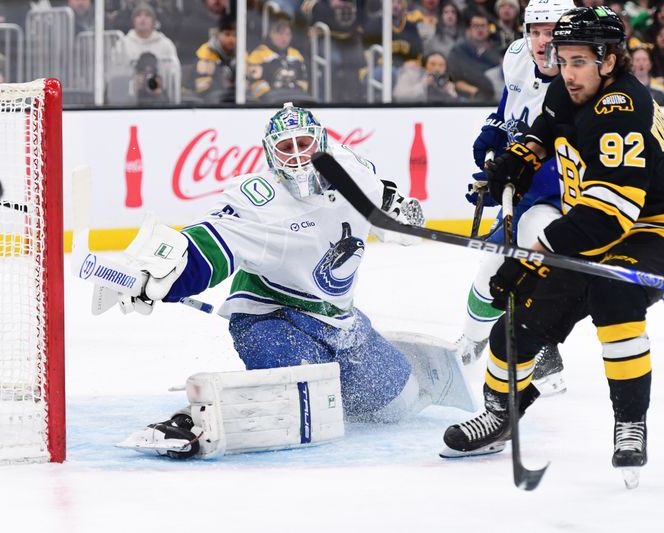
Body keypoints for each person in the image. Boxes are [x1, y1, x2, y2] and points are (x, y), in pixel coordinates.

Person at [96, 102, 474, 458]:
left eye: (304, 144)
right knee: (301, 405)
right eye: (285, 147)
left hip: (340, 323)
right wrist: (161, 276)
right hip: (269, 318)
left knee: (398, 407)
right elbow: (212, 241)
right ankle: (189, 423)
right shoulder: (261, 199)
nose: (296, 156)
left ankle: (360, 361)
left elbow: (387, 209)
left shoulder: (350, 169)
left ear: (322, 145)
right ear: (269, 153)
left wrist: (399, 217)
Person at [443, 7, 664, 484]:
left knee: (612, 294)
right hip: (593, 220)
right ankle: (501, 414)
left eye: (579, 60)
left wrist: (532, 257)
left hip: (650, 227)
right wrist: (516, 161)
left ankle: (630, 423)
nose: (567, 71)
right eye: (562, 59)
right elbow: (546, 128)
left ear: (609, 61)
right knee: (525, 310)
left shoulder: (622, 107)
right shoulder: (572, 87)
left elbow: (610, 214)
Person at [454, 0, 574, 397]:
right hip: (528, 184)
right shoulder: (517, 55)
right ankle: (472, 342)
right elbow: (510, 102)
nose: (542, 42)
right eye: (535, 31)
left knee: (534, 256)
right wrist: (494, 133)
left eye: (552, 32)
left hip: (566, 194)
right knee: (492, 269)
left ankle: (541, 347)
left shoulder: (580, 81)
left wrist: (512, 175)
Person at [247, 15, 310, 102]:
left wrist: (293, 91)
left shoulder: (296, 54)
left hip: (294, 99)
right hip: (269, 102)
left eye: (287, 34)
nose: (284, 38)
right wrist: (271, 94)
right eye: (280, 33)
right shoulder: (258, 54)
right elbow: (255, 83)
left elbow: (304, 80)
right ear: (271, 34)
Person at [447, 10, 503, 102]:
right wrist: (475, 91)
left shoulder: (497, 51)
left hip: (494, 99)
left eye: (483, 26)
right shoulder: (458, 51)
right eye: (475, 26)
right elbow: (453, 79)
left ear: (488, 29)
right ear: (469, 30)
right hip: (464, 100)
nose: (479, 29)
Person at [194, 13, 237, 103]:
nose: (231, 39)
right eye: (227, 34)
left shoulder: (241, 53)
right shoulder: (205, 54)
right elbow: (203, 89)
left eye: (235, 35)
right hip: (210, 103)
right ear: (218, 34)